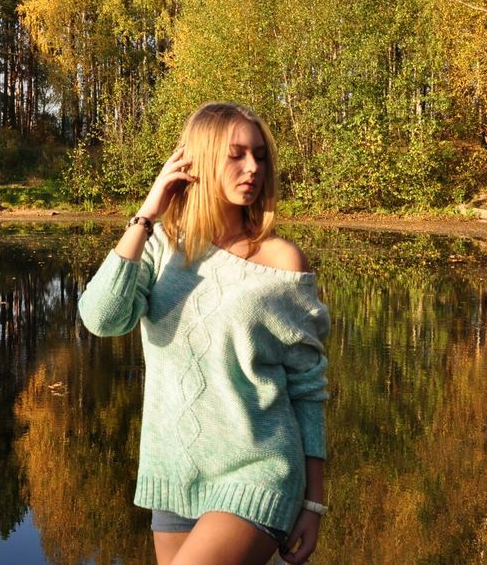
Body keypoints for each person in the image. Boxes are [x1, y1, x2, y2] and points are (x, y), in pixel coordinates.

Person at [78, 102, 330, 565]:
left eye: (259, 155)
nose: (252, 168)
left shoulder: (282, 262)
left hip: (259, 471)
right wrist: (147, 213)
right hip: (174, 475)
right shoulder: (158, 249)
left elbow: (307, 389)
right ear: (198, 161)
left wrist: (313, 502)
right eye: (236, 155)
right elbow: (101, 317)